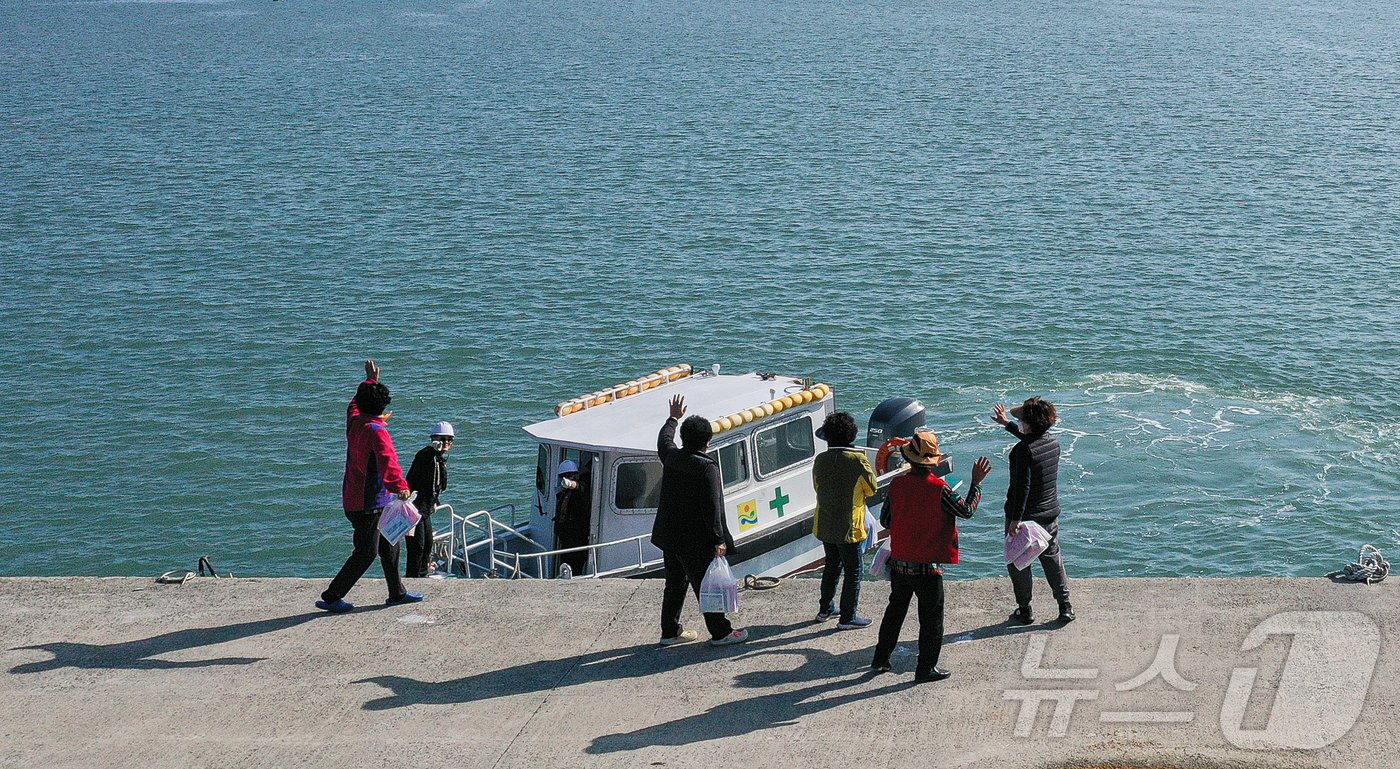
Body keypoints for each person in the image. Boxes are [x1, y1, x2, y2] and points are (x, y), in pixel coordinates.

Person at [871, 430, 990, 682]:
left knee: (895, 611)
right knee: (931, 618)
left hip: (901, 562)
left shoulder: (897, 485)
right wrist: (976, 483)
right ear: (931, 461)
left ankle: (881, 659)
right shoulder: (940, 489)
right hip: (928, 567)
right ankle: (925, 668)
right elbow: (966, 511)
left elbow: (885, 519)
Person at [317, 360, 425, 613]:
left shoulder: (355, 420)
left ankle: (397, 592)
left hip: (355, 497)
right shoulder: (377, 432)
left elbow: (354, 403)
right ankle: (332, 596)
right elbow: (389, 462)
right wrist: (401, 486)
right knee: (367, 552)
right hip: (369, 502)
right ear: (382, 407)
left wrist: (369, 381)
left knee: (391, 542)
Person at [651, 395, 748, 647]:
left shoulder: (671, 457)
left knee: (675, 583)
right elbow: (712, 507)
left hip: (670, 536)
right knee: (706, 585)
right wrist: (719, 540)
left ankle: (669, 632)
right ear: (708, 441)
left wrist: (673, 417)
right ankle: (721, 632)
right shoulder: (707, 468)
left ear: (684, 439)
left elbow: (664, 439)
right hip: (695, 541)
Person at [994, 396, 1073, 624]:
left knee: (1018, 562)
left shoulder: (1022, 451)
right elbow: (1032, 444)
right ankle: (1065, 605)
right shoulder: (1052, 443)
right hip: (1049, 514)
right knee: (1052, 560)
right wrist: (1006, 424)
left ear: (1028, 424)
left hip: (1025, 518)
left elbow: (1022, 488)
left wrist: (1015, 520)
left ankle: (1025, 609)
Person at [811, 411, 878, 629]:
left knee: (831, 566)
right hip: (850, 526)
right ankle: (848, 616)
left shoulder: (820, 460)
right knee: (854, 570)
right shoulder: (858, 460)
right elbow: (872, 488)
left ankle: (825, 608)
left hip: (825, 523)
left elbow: (817, 486)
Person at [404, 421, 453, 579]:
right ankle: (413, 578)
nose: (446, 443)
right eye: (442, 439)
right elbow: (419, 468)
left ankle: (422, 575)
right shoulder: (426, 455)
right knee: (417, 546)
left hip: (425, 509)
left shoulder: (439, 459)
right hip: (414, 508)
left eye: (449, 440)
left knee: (428, 543)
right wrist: (433, 449)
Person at [554, 459, 592, 576]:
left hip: (576, 537)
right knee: (564, 562)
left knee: (575, 565)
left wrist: (572, 484)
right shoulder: (564, 492)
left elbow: (580, 489)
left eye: (569, 476)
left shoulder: (581, 488)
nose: (565, 478)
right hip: (565, 537)